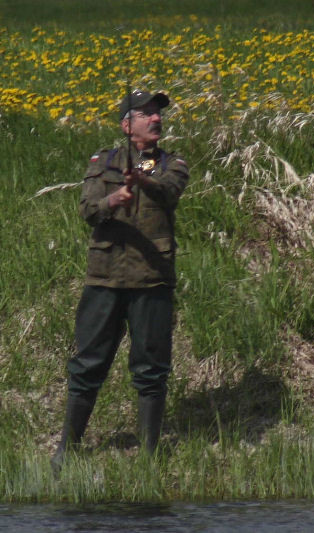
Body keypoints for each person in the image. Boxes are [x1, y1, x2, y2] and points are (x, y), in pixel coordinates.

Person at [52, 89, 189, 469]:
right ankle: (67, 450)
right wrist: (112, 202)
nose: (156, 119)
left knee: (151, 369)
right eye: (146, 113)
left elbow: (169, 192)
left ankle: (149, 457)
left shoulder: (172, 163)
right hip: (105, 279)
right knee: (87, 365)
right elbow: (87, 209)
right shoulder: (103, 161)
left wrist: (140, 183)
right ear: (127, 125)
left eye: (158, 113)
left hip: (152, 280)